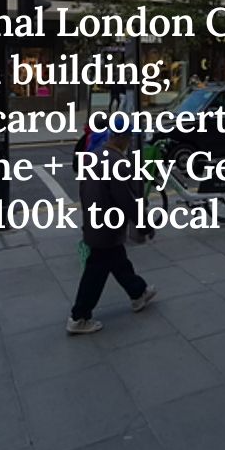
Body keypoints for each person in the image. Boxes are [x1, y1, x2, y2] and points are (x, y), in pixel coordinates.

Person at [68, 129, 156, 334]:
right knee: (96, 271)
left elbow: (83, 190)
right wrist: (144, 226)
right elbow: (127, 201)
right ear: (124, 139)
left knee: (119, 262)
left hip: (95, 222)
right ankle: (79, 317)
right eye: (130, 139)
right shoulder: (118, 163)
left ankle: (138, 293)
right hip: (107, 226)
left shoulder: (95, 156)